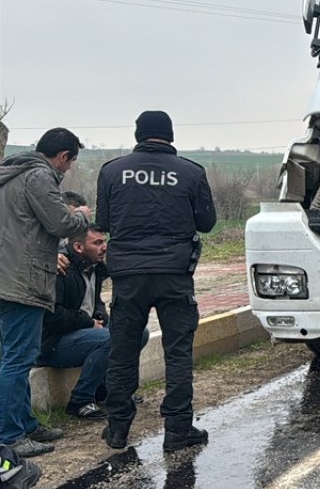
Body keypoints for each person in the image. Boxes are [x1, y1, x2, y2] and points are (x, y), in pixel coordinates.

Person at [98, 111, 217, 453]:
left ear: (138, 134)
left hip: (128, 277)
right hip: (174, 275)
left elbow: (103, 221)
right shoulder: (192, 173)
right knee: (178, 353)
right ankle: (178, 430)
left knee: (122, 353)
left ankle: (118, 430)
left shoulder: (111, 171)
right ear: (170, 135)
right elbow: (207, 223)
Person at [0, 128, 91, 458]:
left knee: (15, 353)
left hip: (6, 277)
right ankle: (10, 436)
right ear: (63, 156)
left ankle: (24, 423)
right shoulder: (39, 175)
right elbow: (60, 224)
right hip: (21, 280)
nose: (67, 170)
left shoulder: (11, 173)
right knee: (17, 357)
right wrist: (80, 216)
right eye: (70, 163)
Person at [40, 225, 151, 419]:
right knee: (111, 338)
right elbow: (53, 316)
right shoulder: (61, 269)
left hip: (83, 333)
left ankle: (109, 390)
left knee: (138, 332)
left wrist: (99, 316)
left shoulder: (96, 268)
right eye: (97, 243)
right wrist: (89, 323)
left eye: (104, 241)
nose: (104, 247)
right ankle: (80, 401)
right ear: (78, 247)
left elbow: (95, 302)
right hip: (53, 342)